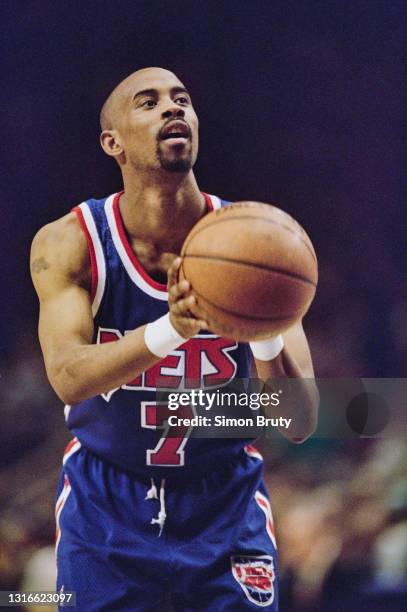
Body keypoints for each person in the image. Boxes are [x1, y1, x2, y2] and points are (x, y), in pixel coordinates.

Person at [30, 67, 318, 611]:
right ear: (112, 142)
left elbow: (299, 422)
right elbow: (68, 377)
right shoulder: (72, 241)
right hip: (106, 502)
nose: (172, 108)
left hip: (224, 501)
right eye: (149, 102)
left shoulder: (261, 243)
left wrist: (264, 337)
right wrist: (172, 329)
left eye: (182, 99)